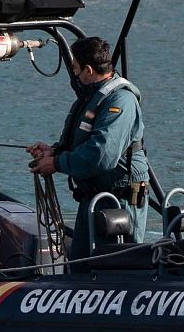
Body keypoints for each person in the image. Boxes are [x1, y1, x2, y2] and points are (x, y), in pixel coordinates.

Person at [28, 36, 149, 260]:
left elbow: (102, 154)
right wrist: (54, 152)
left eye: (75, 68)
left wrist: (56, 164)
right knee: (82, 266)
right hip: (92, 199)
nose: (74, 74)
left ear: (89, 70)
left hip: (117, 202)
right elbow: (82, 141)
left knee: (114, 269)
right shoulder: (92, 97)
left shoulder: (121, 101)